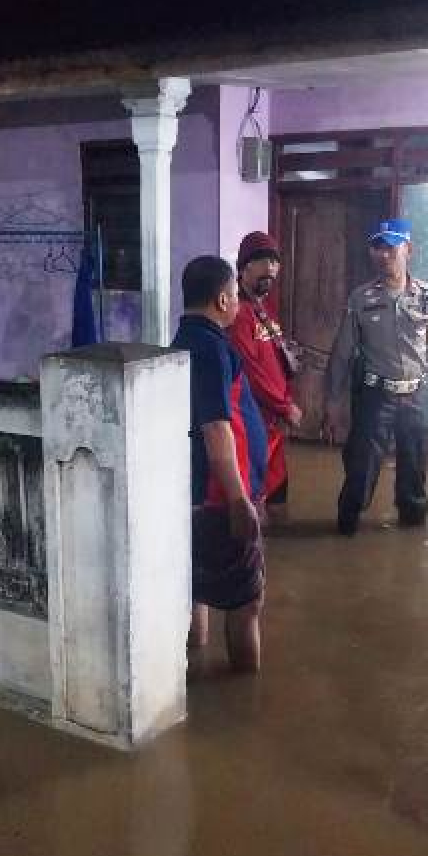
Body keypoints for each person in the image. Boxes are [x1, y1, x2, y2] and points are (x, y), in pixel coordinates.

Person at [324, 218, 428, 535]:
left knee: (414, 474)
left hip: (416, 398)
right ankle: (345, 528)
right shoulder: (361, 299)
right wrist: (332, 402)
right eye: (377, 248)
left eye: (391, 248)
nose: (383, 255)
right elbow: (342, 354)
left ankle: (412, 538)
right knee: (360, 470)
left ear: (408, 249)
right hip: (375, 398)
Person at [171, 255, 268, 672]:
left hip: (192, 491)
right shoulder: (212, 348)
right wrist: (238, 500)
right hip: (217, 496)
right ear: (223, 298)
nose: (240, 305)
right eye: (236, 296)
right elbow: (216, 428)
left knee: (197, 584)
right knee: (246, 603)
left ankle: (196, 658)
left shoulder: (182, 341)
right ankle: (246, 697)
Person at [228, 231, 302, 521]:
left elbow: (271, 362)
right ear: (244, 267)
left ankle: (274, 559)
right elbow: (251, 371)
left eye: (274, 261)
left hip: (273, 424)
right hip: (254, 424)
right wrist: (285, 406)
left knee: (276, 498)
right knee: (254, 498)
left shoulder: (264, 310)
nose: (270, 267)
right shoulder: (239, 313)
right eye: (261, 260)